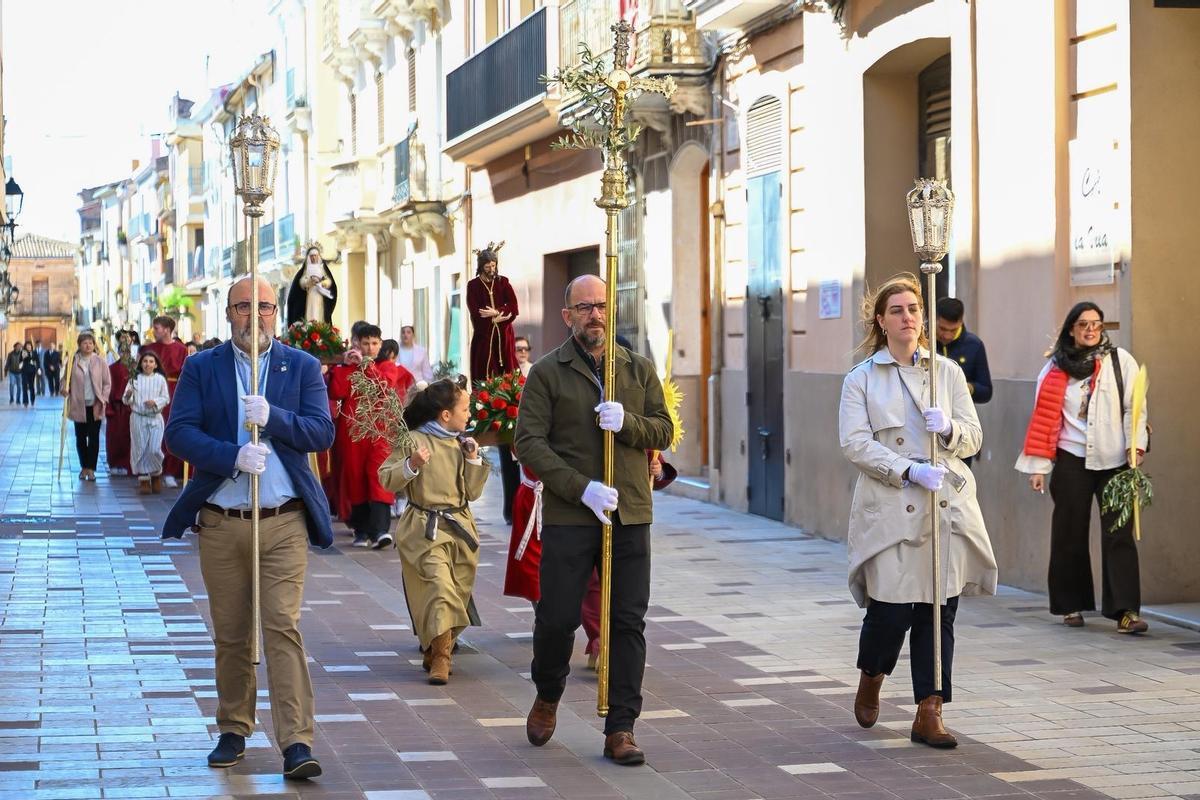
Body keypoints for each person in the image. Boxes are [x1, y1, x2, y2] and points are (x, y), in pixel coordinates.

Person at [161, 275, 334, 780]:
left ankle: (297, 741)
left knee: (283, 626)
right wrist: (232, 455)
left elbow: (321, 431)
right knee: (233, 632)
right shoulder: (201, 367)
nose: (252, 316)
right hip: (222, 520)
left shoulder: (299, 366)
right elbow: (179, 434)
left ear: (275, 313)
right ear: (228, 312)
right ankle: (234, 726)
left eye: (262, 307)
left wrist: (275, 417)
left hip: (282, 521)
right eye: (242, 306)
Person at [515, 274, 673, 766]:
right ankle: (547, 693)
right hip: (571, 513)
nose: (595, 315)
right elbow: (529, 443)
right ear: (568, 316)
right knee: (558, 617)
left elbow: (663, 429)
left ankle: (621, 727)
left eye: (602, 306)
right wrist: (579, 487)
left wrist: (628, 424)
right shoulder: (546, 372)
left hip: (628, 512)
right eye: (584, 308)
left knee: (628, 621)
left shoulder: (636, 368)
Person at [839, 274, 997, 750]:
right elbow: (854, 443)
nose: (908, 317)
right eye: (897, 311)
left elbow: (974, 434)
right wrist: (906, 470)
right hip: (891, 508)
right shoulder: (862, 378)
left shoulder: (946, 374)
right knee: (890, 610)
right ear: (881, 322)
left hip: (943, 506)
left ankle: (930, 709)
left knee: (938, 611)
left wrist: (949, 430)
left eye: (913, 309)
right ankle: (873, 673)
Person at [1014, 302, 1149, 634]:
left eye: (1097, 324)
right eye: (1084, 324)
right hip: (1072, 458)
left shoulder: (1120, 362)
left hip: (1116, 459)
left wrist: (1137, 445)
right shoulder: (1054, 369)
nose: (1091, 330)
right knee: (1069, 533)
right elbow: (1044, 420)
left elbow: (1136, 407)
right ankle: (1070, 605)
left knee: (1119, 535)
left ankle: (1125, 611)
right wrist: (1039, 468)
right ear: (1071, 329)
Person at [507, 452, 677, 670]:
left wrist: (657, 469)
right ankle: (556, 661)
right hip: (573, 509)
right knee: (566, 589)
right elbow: (534, 446)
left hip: (620, 513)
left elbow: (647, 445)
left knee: (615, 592)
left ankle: (603, 646)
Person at [378, 377, 489, 685]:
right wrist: (411, 465)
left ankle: (435, 645)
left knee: (456, 593)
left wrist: (473, 459)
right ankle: (442, 658)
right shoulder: (412, 440)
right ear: (445, 414)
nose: (469, 414)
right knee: (439, 589)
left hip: (460, 529)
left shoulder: (460, 443)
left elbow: (472, 492)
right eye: (465, 409)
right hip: (425, 529)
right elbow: (386, 478)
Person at [327, 323, 414, 548]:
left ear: (380, 344)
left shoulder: (388, 367)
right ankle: (361, 530)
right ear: (356, 342)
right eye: (365, 343)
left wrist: (366, 365)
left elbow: (383, 388)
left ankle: (380, 531)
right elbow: (337, 391)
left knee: (379, 477)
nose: (370, 348)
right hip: (353, 432)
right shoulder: (346, 367)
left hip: (379, 432)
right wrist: (345, 366)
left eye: (374, 343)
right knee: (355, 478)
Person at [141, 316, 189, 487]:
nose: (154, 331)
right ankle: (151, 470)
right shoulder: (149, 349)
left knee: (171, 430)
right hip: (152, 392)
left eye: (157, 328)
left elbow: (185, 373)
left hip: (174, 392)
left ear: (167, 329)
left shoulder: (182, 349)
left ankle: (170, 471)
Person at [62, 332, 112, 481]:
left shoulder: (100, 362)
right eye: (85, 343)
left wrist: (103, 398)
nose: (88, 345)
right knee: (80, 438)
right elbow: (65, 380)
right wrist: (64, 388)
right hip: (79, 405)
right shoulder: (73, 362)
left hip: (95, 405)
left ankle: (91, 468)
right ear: (79, 345)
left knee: (94, 437)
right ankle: (83, 466)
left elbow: (107, 383)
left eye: (90, 342)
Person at [467, 244, 519, 380]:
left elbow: (514, 307)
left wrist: (497, 312)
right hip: (484, 337)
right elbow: (476, 312)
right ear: (481, 267)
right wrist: (492, 321)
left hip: (504, 336)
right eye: (487, 267)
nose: (491, 269)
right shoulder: (473, 286)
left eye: (493, 266)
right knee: (485, 373)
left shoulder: (503, 282)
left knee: (508, 373)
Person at [125, 351, 171, 494]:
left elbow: (166, 397)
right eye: (145, 361)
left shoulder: (160, 379)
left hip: (155, 418)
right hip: (138, 417)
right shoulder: (134, 379)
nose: (148, 364)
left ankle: (156, 474)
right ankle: (144, 480)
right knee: (140, 448)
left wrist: (155, 402)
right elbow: (126, 399)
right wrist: (128, 395)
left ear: (156, 364)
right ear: (141, 363)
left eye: (151, 361)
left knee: (154, 448)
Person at [106, 342, 136, 476]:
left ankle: (127, 463)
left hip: (130, 407)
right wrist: (108, 406)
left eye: (127, 351)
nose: (124, 354)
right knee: (114, 437)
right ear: (118, 352)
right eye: (122, 351)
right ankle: (114, 463)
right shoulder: (111, 368)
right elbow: (108, 388)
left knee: (129, 437)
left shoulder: (135, 368)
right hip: (116, 406)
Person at [19, 342, 39, 407]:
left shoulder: (34, 352)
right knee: (24, 386)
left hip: (32, 372)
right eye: (27, 346)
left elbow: (37, 361)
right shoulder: (23, 352)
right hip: (24, 371)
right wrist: (27, 356)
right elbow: (21, 360)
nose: (28, 347)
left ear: (31, 346)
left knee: (31, 386)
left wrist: (38, 368)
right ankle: (25, 402)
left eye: (29, 346)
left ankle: (32, 400)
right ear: (25, 346)